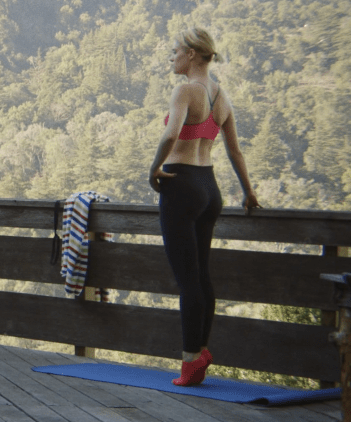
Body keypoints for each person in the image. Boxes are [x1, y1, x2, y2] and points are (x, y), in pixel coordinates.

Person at [148, 28, 261, 386]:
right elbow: (234, 151)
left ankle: (190, 360)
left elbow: (170, 135)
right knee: (202, 276)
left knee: (188, 281)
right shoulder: (220, 96)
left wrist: (153, 170)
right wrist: (249, 192)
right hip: (210, 189)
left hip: (181, 185)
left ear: (194, 54)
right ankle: (200, 352)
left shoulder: (185, 90)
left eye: (176, 50)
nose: (172, 56)